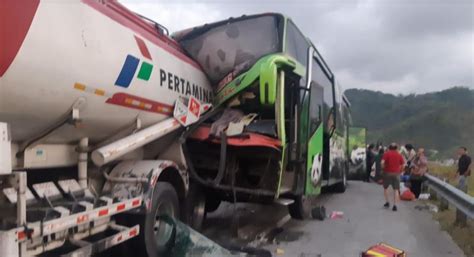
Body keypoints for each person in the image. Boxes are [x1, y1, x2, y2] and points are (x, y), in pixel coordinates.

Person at [382, 143, 405, 211]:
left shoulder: (386, 154)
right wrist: (400, 171)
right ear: (396, 148)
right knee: (396, 189)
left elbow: (382, 163)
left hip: (387, 173)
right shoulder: (399, 155)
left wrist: (383, 169)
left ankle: (387, 202)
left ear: (389, 147)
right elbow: (403, 165)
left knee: (385, 188)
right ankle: (395, 205)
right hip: (396, 173)